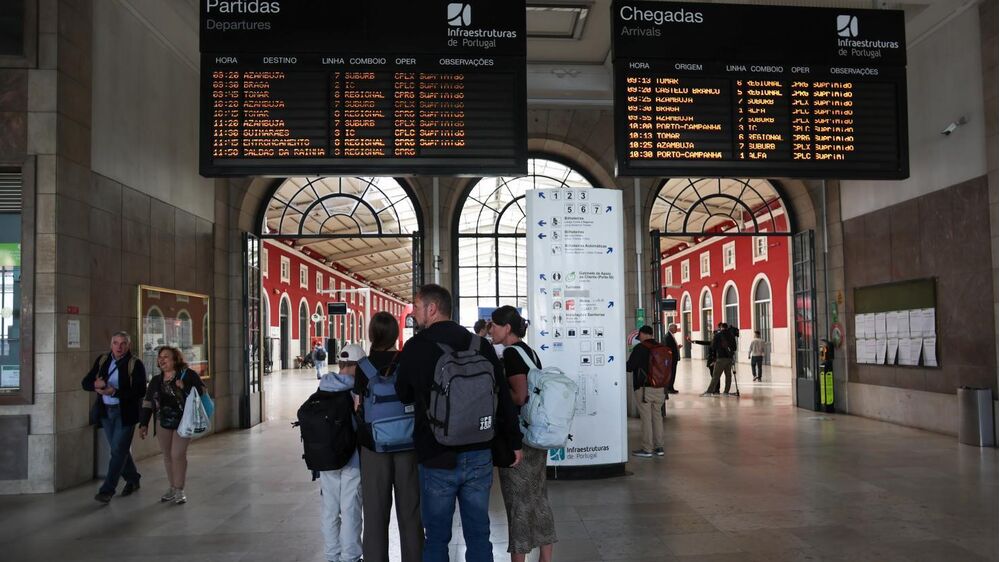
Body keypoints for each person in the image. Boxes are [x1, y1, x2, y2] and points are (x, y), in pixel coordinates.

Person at [395, 284, 523, 562]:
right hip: (479, 452)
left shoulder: (416, 347)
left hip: (436, 455)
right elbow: (501, 397)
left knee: (438, 538)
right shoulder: (480, 346)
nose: (414, 314)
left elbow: (402, 392)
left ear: (431, 308)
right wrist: (514, 442)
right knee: (479, 534)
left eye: (416, 307)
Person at [489, 306, 557, 562]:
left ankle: (519, 558)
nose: (491, 330)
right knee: (538, 496)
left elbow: (520, 395)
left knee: (518, 501)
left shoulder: (511, 354)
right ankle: (545, 557)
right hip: (537, 434)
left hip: (521, 437)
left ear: (507, 328)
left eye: (494, 325)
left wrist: (497, 391)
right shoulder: (529, 352)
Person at [355, 312, 422, 562]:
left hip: (374, 447)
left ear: (372, 335)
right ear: (396, 334)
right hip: (408, 443)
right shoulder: (408, 361)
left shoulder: (363, 367)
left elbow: (358, 405)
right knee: (411, 513)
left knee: (374, 514)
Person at [81, 331, 147, 503]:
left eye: (123, 343)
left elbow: (140, 391)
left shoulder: (135, 364)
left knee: (118, 450)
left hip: (125, 413)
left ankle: (107, 489)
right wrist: (95, 385)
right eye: (116, 343)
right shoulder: (103, 360)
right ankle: (133, 478)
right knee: (120, 450)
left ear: (128, 345)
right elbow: (85, 382)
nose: (119, 346)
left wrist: (115, 392)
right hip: (106, 412)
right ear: (111, 345)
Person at [138, 345, 205, 504]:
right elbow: (148, 403)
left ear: (175, 359)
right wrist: (143, 424)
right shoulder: (156, 380)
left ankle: (180, 489)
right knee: (167, 456)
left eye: (165, 357)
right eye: (160, 357)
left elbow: (202, 391)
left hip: (184, 421)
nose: (161, 360)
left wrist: (186, 387)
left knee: (177, 454)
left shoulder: (188, 375)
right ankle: (172, 487)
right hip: (163, 422)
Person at [318, 344, 365, 562]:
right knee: (350, 510)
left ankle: (331, 555)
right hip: (351, 459)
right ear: (357, 366)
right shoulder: (357, 390)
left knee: (330, 510)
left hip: (326, 458)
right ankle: (351, 557)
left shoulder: (323, 386)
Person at [625, 325, 667, 458]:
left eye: (640, 336)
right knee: (657, 417)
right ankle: (659, 447)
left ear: (643, 334)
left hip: (644, 389)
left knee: (646, 419)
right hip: (660, 387)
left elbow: (630, 367)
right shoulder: (661, 347)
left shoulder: (640, 348)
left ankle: (647, 449)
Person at [692, 323, 737, 396]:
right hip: (729, 358)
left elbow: (713, 346)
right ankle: (726, 392)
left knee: (716, 376)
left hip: (721, 358)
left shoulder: (718, 335)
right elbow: (734, 348)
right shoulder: (731, 335)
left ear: (721, 328)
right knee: (728, 376)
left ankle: (709, 392)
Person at [664, 323, 681, 394]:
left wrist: (677, 347)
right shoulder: (668, 336)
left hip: (673, 358)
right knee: (671, 373)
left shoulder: (671, 335)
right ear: (671, 328)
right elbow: (668, 348)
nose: (676, 329)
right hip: (671, 359)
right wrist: (675, 348)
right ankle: (669, 388)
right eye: (675, 328)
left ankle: (671, 387)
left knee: (673, 373)